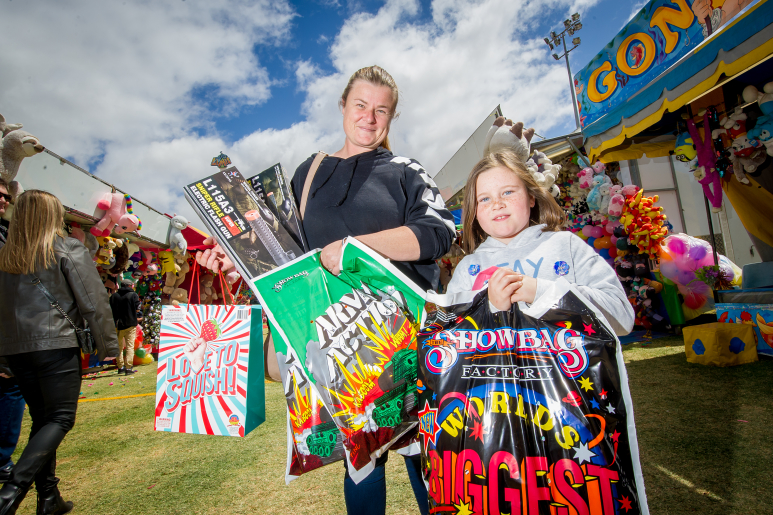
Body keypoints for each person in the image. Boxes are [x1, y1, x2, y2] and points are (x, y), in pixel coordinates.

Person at [197, 65, 456, 515]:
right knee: (361, 464)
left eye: (381, 110)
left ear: (391, 118)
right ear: (342, 106)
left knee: (427, 458)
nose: (369, 118)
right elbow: (285, 259)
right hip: (335, 343)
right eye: (360, 105)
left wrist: (356, 248)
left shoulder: (404, 170)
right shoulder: (308, 173)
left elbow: (438, 233)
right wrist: (236, 263)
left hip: (405, 339)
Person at [0, 190, 119, 515]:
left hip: (18, 349)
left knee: (43, 421)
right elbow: (93, 302)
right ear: (52, 216)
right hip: (56, 344)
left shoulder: (6, 257)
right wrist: (108, 345)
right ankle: (10, 494)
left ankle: (49, 497)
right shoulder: (66, 248)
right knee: (60, 418)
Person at [445, 150, 635, 334]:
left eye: (508, 192)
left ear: (531, 198)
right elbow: (450, 340)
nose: (497, 204)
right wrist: (491, 310)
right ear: (474, 212)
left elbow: (623, 319)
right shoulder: (467, 269)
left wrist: (542, 292)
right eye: (485, 198)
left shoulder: (566, 245)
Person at [0, 178, 25, 485]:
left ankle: (3, 459)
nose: (4, 201)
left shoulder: (6, 234)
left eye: (6, 196)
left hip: (9, 331)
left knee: (10, 390)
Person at [109, 278, 142, 375]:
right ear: (130, 285)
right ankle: (128, 368)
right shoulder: (133, 295)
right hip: (130, 323)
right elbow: (137, 310)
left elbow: (110, 310)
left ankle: (120, 367)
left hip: (117, 324)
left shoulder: (114, 296)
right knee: (129, 346)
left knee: (118, 347)